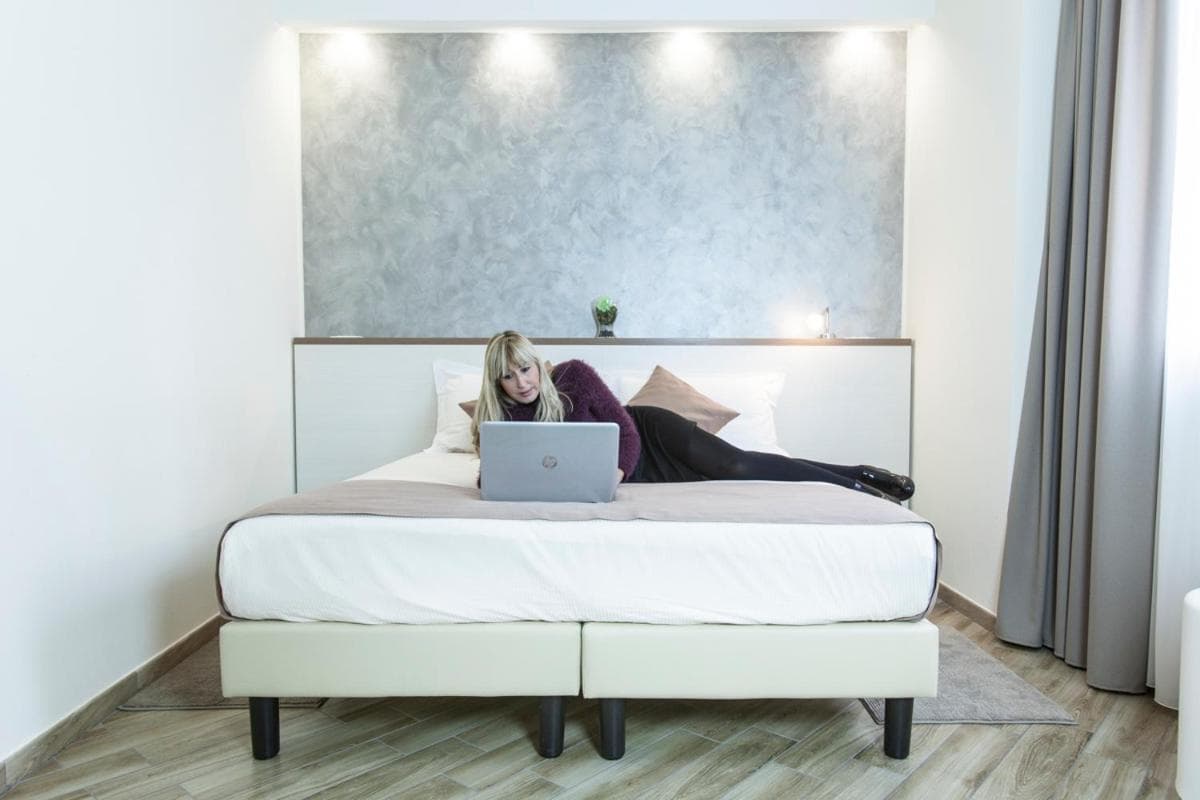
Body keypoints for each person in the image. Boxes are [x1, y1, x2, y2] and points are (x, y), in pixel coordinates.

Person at [470, 331, 915, 501]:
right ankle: (857, 476)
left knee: (739, 465)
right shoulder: (501, 421)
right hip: (647, 478)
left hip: (651, 436)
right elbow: (491, 479)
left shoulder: (574, 376)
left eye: (525, 369)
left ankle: (858, 482)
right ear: (496, 382)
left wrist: (614, 477)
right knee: (736, 473)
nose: (522, 382)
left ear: (537, 363)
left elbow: (626, 432)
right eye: (508, 376)